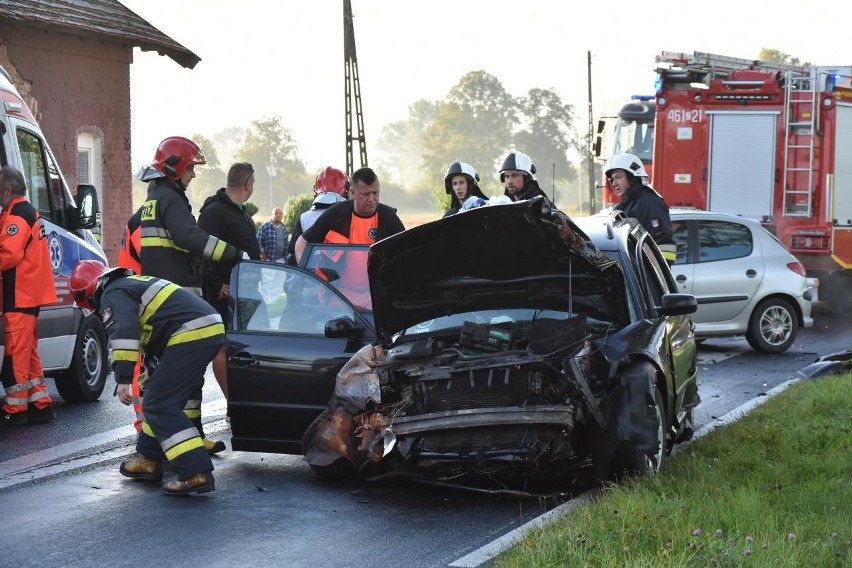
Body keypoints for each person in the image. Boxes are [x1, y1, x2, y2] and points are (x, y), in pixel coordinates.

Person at [69, 260, 224, 495]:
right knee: (155, 394)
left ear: (89, 294)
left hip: (191, 332)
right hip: (203, 329)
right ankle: (148, 459)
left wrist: (122, 379)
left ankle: (195, 472)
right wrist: (151, 371)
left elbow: (125, 332)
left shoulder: (112, 293)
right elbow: (157, 329)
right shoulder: (129, 285)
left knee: (158, 404)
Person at [138, 136, 242, 452]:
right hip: (175, 302)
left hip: (166, 300)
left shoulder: (156, 199)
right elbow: (189, 237)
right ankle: (166, 450)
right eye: (190, 169)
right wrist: (233, 254)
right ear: (176, 167)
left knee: (190, 374)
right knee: (178, 376)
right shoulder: (169, 199)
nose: (193, 175)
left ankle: (192, 436)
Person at [198, 162, 261, 398]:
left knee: (243, 349)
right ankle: (232, 402)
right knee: (222, 349)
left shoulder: (239, 212)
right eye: (253, 183)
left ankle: (243, 399)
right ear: (247, 184)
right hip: (225, 295)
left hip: (246, 292)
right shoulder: (214, 212)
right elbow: (199, 250)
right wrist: (216, 286)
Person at [0, 166, 57, 426]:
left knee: (16, 357)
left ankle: (15, 411)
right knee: (28, 353)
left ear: (8, 190)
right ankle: (41, 405)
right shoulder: (27, 212)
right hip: (29, 295)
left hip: (19, 294)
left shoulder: (16, 216)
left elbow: (8, 255)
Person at [294, 167, 405, 264]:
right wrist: (307, 274)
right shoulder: (337, 213)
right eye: (365, 194)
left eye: (375, 193)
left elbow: (407, 251)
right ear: (352, 193)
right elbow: (302, 243)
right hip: (336, 287)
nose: (372, 199)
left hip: (374, 287)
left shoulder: (389, 218)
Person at [605, 152, 676, 265]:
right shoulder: (622, 206)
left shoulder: (650, 203)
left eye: (618, 177)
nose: (614, 183)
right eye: (612, 179)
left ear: (632, 177)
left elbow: (664, 246)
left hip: (644, 278)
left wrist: (653, 277)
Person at [287, 166, 349, 265]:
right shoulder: (351, 216)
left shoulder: (304, 218)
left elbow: (293, 256)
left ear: (316, 190)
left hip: (311, 278)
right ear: (346, 190)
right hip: (344, 276)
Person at [256, 206, 289, 304]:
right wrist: (263, 255)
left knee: (278, 283)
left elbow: (286, 243)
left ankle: (274, 302)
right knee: (267, 283)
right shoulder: (265, 226)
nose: (278, 215)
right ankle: (265, 302)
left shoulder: (284, 228)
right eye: (276, 213)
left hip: (281, 260)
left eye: (280, 213)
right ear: (272, 215)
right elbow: (258, 241)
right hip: (269, 260)